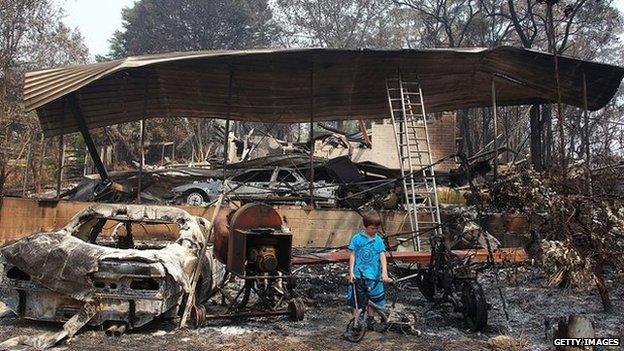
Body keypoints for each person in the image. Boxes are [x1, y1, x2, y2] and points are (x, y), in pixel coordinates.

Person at [345, 212, 392, 332]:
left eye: (377, 228)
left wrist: (384, 273)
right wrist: (351, 273)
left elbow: (382, 256)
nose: (375, 230)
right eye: (372, 228)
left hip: (374, 276)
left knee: (373, 299)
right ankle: (356, 322)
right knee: (358, 300)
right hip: (360, 275)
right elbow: (352, 255)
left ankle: (370, 320)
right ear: (365, 227)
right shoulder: (357, 239)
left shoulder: (378, 240)